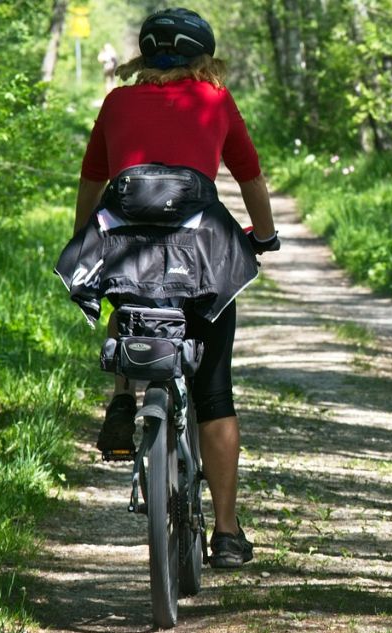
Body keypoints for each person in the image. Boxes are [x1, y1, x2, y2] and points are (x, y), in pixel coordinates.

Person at [71, 8, 280, 569]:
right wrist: (265, 237)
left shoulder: (116, 103)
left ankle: (121, 396)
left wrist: (83, 240)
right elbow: (250, 176)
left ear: (144, 56)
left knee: (126, 290)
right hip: (201, 252)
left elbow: (93, 181)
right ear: (202, 58)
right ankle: (228, 533)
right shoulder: (214, 100)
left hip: (126, 243)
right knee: (215, 392)